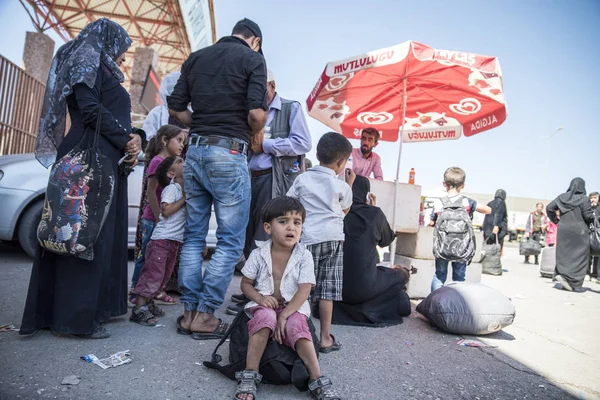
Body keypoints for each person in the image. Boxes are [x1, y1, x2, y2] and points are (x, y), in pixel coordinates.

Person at [21, 19, 145, 339]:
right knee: (81, 236)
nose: (123, 58)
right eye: (121, 50)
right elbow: (90, 110)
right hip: (88, 160)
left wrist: (126, 141)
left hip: (101, 158)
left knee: (90, 236)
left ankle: (89, 309)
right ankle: (75, 319)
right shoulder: (87, 58)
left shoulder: (98, 66)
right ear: (107, 42)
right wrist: (126, 138)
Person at [168, 18, 268, 339]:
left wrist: (202, 124)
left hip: (195, 153)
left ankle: (188, 313)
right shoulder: (254, 59)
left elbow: (176, 106)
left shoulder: (197, 57)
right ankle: (206, 315)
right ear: (254, 40)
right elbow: (255, 114)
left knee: (194, 237)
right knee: (229, 241)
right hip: (230, 152)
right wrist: (252, 130)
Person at [234, 197, 342, 400]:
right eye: (283, 221)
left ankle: (317, 378)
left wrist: (285, 314)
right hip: (265, 305)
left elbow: (304, 289)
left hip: (293, 307)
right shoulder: (258, 254)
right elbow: (245, 284)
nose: (291, 227)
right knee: (265, 319)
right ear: (268, 227)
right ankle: (250, 374)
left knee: (296, 327)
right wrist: (259, 298)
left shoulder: (304, 256)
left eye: (297, 222)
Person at [228, 69, 312, 315]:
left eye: (259, 88)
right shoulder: (251, 111)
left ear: (272, 86)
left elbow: (303, 143)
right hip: (246, 178)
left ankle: (263, 298)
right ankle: (253, 291)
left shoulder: (290, 108)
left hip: (272, 179)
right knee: (245, 235)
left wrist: (265, 144)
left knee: (265, 236)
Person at [287, 132, 354, 352]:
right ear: (341, 162)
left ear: (317, 154)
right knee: (327, 291)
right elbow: (345, 209)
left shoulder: (302, 178)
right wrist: (350, 183)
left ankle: (295, 332)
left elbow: (290, 204)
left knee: (301, 288)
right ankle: (325, 338)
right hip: (334, 240)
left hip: (307, 239)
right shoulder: (341, 185)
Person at [330, 175, 411, 327]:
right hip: (365, 288)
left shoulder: (334, 213)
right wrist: (373, 209)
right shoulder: (374, 214)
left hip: (336, 289)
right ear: (366, 193)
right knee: (399, 275)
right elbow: (386, 240)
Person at [136, 75, 189, 295]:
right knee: (154, 241)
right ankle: (142, 288)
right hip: (159, 180)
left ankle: (165, 284)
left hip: (178, 180)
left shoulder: (190, 116)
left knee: (174, 235)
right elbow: (150, 144)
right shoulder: (158, 114)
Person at [129, 125, 186, 306]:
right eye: (179, 140)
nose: (182, 145)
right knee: (145, 256)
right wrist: (157, 217)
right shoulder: (157, 161)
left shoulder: (173, 163)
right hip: (153, 219)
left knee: (157, 260)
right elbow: (151, 192)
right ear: (164, 140)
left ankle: (156, 291)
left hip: (162, 219)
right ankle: (135, 290)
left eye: (183, 142)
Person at [429, 167, 491, 292]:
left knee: (439, 275)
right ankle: (457, 303)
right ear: (463, 185)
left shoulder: (439, 203)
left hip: (442, 247)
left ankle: (434, 301)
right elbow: (488, 210)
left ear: (444, 184)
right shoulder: (467, 202)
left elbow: (431, 222)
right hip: (461, 247)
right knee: (459, 278)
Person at [547, 178, 595, 291]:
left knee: (564, 254)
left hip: (564, 230)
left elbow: (549, 208)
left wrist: (556, 221)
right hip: (580, 231)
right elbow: (588, 216)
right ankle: (573, 282)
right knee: (580, 257)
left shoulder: (562, 197)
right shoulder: (584, 199)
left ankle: (563, 276)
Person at [589, 192, 599, 281]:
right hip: (588, 233)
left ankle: (596, 274)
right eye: (591, 198)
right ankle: (586, 273)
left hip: (598, 234)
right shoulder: (587, 208)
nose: (593, 199)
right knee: (587, 254)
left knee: (598, 255)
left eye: (595, 197)